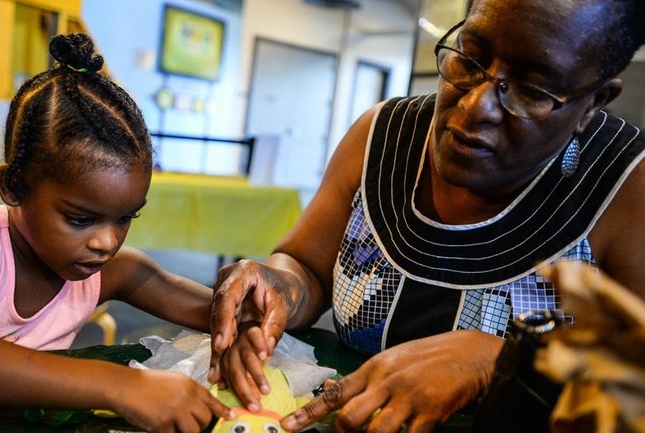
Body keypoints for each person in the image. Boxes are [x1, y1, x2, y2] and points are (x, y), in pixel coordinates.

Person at [208, 1, 645, 432]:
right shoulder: (380, 136)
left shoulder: (627, 185)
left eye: (532, 91)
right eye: (470, 59)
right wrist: (279, 285)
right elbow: (306, 267)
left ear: (595, 102)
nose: (476, 106)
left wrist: (504, 359)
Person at [0, 34, 233, 433]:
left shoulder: (112, 269)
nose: (107, 242)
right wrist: (120, 384)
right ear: (13, 186)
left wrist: (251, 316)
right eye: (80, 219)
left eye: (125, 218)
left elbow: (224, 311)